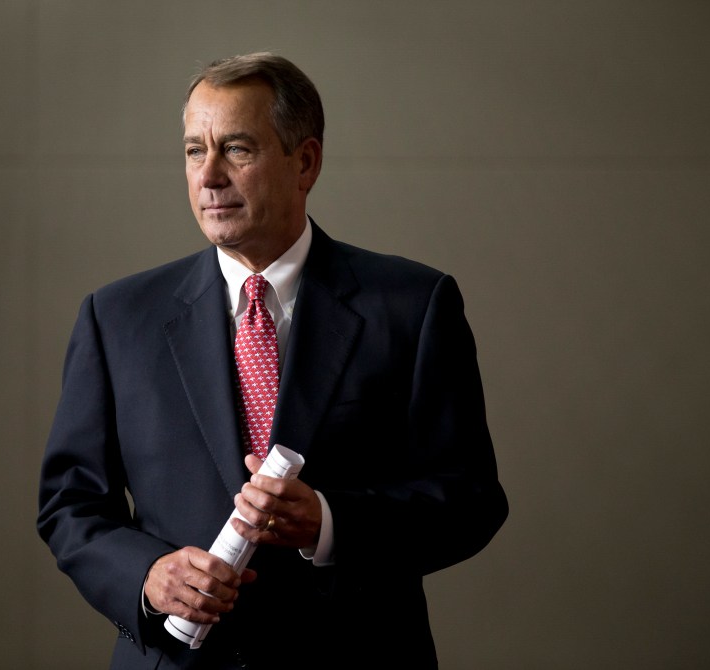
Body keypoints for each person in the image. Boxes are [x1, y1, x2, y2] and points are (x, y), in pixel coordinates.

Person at [37, 52, 508, 669]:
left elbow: (469, 500)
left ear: (305, 161)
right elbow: (70, 505)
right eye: (192, 151)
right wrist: (148, 575)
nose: (208, 176)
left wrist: (329, 524)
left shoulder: (413, 305)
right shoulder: (117, 317)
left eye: (236, 149)